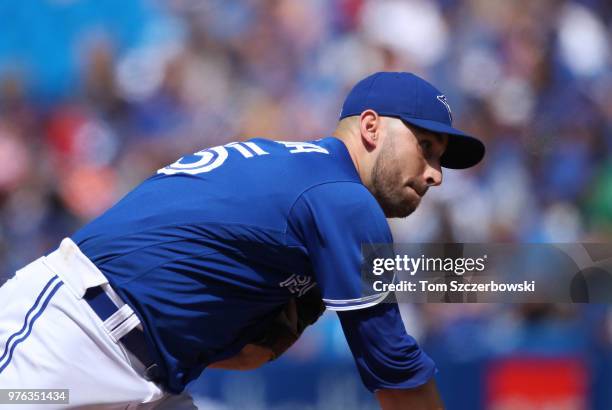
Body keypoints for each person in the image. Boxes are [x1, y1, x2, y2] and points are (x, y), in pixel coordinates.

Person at [0, 72, 484, 409]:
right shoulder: (340, 198)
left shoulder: (297, 177)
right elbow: (395, 372)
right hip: (66, 343)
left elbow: (246, 356)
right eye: (425, 146)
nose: (435, 174)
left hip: (150, 380)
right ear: (372, 127)